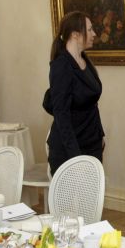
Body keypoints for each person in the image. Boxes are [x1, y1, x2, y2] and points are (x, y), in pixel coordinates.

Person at [45, 11, 104, 174]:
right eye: (89, 30)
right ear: (75, 35)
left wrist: (100, 134)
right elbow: (61, 115)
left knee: (93, 190)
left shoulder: (85, 61)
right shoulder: (61, 66)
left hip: (92, 143)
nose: (94, 34)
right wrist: (75, 157)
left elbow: (92, 104)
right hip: (70, 150)